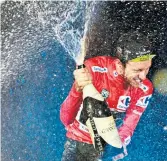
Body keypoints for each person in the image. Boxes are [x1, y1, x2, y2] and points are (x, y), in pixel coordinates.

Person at [60, 31, 156, 161]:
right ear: (119, 66)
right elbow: (66, 118)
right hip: (80, 142)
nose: (143, 77)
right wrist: (77, 89)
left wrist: (114, 146)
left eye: (147, 69)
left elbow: (129, 125)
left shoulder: (145, 88)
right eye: (137, 70)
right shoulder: (93, 69)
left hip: (109, 147)